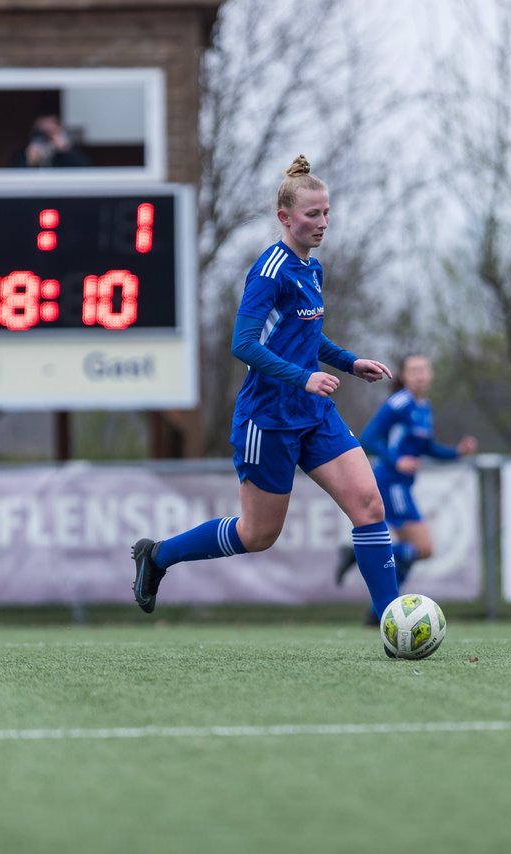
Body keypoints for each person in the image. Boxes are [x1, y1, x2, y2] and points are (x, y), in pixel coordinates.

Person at [130, 154, 402, 641]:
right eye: (311, 215)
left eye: (326, 213)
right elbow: (244, 345)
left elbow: (305, 336)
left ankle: (391, 623)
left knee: (369, 505)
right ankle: (158, 555)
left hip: (314, 414)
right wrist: (303, 378)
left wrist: (348, 362)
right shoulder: (270, 271)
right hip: (267, 420)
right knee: (258, 535)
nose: (322, 223)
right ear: (285, 218)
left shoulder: (311, 269)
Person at [335, 355, 477, 603]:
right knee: (423, 548)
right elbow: (368, 437)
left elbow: (426, 447)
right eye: (414, 370)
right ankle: (356, 555)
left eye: (424, 369)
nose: (420, 374)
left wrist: (457, 452)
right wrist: (396, 460)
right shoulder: (398, 403)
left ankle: (379, 613)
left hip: (402, 485)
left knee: (410, 553)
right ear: (403, 376)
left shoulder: (423, 407)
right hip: (391, 482)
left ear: (431, 374)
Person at [10, 115, 90, 168]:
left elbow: (84, 170)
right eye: (42, 133)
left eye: (51, 132)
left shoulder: (70, 151)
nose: (47, 137)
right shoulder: (23, 152)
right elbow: (13, 177)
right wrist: (29, 161)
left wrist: (65, 151)